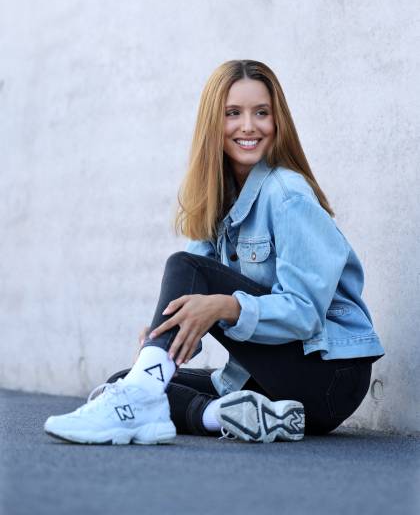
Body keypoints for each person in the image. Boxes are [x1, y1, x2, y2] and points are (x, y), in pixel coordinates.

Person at [44, 59, 385, 445]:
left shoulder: (287, 195)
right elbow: (191, 291)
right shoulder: (219, 200)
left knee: (180, 273)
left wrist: (224, 307)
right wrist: (164, 337)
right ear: (213, 123)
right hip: (272, 385)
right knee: (122, 381)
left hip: (329, 377)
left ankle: (142, 395)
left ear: (278, 121)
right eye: (233, 113)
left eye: (261, 113)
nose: (248, 126)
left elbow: (304, 314)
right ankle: (224, 415)